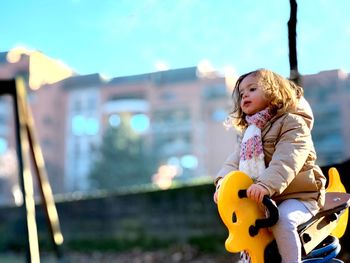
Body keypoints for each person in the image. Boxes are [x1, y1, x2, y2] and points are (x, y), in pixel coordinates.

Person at [213, 69, 326, 263]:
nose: (245, 95)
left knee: (283, 221)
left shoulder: (293, 123)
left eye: (252, 89)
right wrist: (223, 184)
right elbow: (234, 161)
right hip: (266, 200)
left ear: (274, 92)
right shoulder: (250, 133)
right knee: (250, 231)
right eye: (241, 93)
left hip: (300, 195)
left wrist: (265, 185)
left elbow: (288, 159)